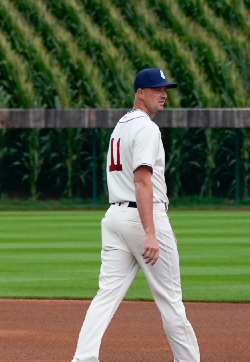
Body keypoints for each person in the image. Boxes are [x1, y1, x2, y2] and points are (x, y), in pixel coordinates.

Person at [70, 68, 200, 362]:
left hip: (114, 218)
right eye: (156, 89)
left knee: (105, 296)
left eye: (165, 89)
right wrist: (151, 231)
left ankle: (83, 359)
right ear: (140, 93)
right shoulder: (147, 128)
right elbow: (142, 181)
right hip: (140, 218)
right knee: (170, 301)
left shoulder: (121, 125)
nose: (163, 94)